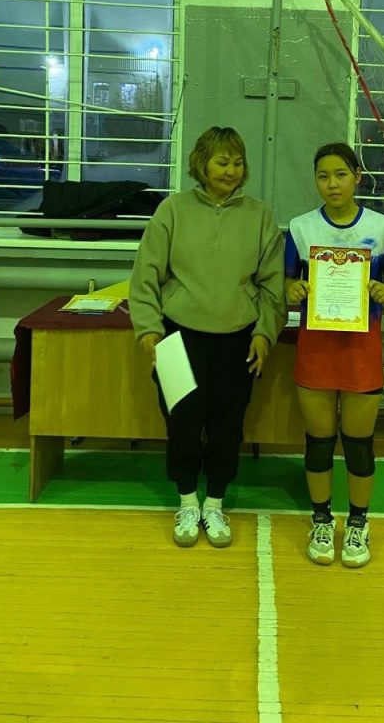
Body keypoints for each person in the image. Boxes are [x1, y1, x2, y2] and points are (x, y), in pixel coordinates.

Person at [129, 126, 286, 548]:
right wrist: (148, 328)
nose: (230, 170)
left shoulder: (260, 216)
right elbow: (145, 276)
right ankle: (187, 502)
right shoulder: (172, 211)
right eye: (222, 162)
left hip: (238, 341)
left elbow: (273, 286)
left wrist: (265, 332)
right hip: (178, 338)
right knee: (182, 424)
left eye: (237, 162)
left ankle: (214, 503)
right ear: (202, 163)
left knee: (227, 426)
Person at [285, 142, 384, 568]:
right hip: (316, 349)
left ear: (357, 176)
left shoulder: (382, 227)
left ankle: (357, 523)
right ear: (315, 180)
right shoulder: (301, 228)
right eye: (323, 176)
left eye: (340, 174)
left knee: (358, 445)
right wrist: (294, 289)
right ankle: (321, 520)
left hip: (361, 349)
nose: (332, 184)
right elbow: (287, 280)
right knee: (318, 444)